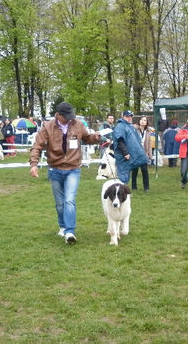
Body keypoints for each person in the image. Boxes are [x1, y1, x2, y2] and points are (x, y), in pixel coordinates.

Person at [29, 102, 101, 245]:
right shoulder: (47, 127)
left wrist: (95, 137)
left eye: (71, 116)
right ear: (58, 115)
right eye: (66, 117)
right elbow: (37, 145)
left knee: (69, 200)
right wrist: (34, 164)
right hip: (55, 169)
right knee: (60, 203)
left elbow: (86, 138)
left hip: (73, 169)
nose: (69, 119)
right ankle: (62, 226)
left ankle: (70, 231)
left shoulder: (78, 124)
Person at [112, 110, 148, 185]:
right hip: (124, 155)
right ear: (124, 116)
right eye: (128, 116)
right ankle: (120, 192)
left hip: (133, 154)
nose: (130, 118)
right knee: (123, 174)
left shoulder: (130, 126)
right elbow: (120, 141)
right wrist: (125, 153)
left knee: (129, 173)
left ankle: (124, 191)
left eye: (131, 116)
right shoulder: (120, 126)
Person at [130, 116, 151, 192]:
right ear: (139, 121)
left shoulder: (148, 132)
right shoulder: (134, 130)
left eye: (144, 120)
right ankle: (134, 187)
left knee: (145, 171)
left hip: (144, 154)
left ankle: (146, 188)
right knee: (135, 171)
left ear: (146, 122)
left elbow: (149, 144)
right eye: (141, 120)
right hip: (135, 154)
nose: (143, 121)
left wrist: (149, 155)